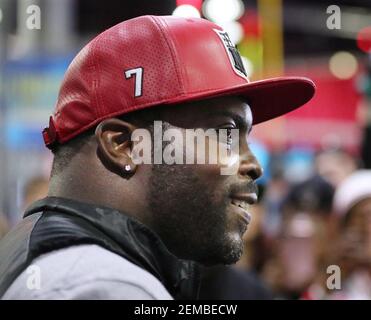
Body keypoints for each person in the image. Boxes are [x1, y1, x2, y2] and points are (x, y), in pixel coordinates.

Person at [0, 15, 315, 300]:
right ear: (124, 145)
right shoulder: (105, 286)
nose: (254, 165)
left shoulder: (36, 248)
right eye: (225, 133)